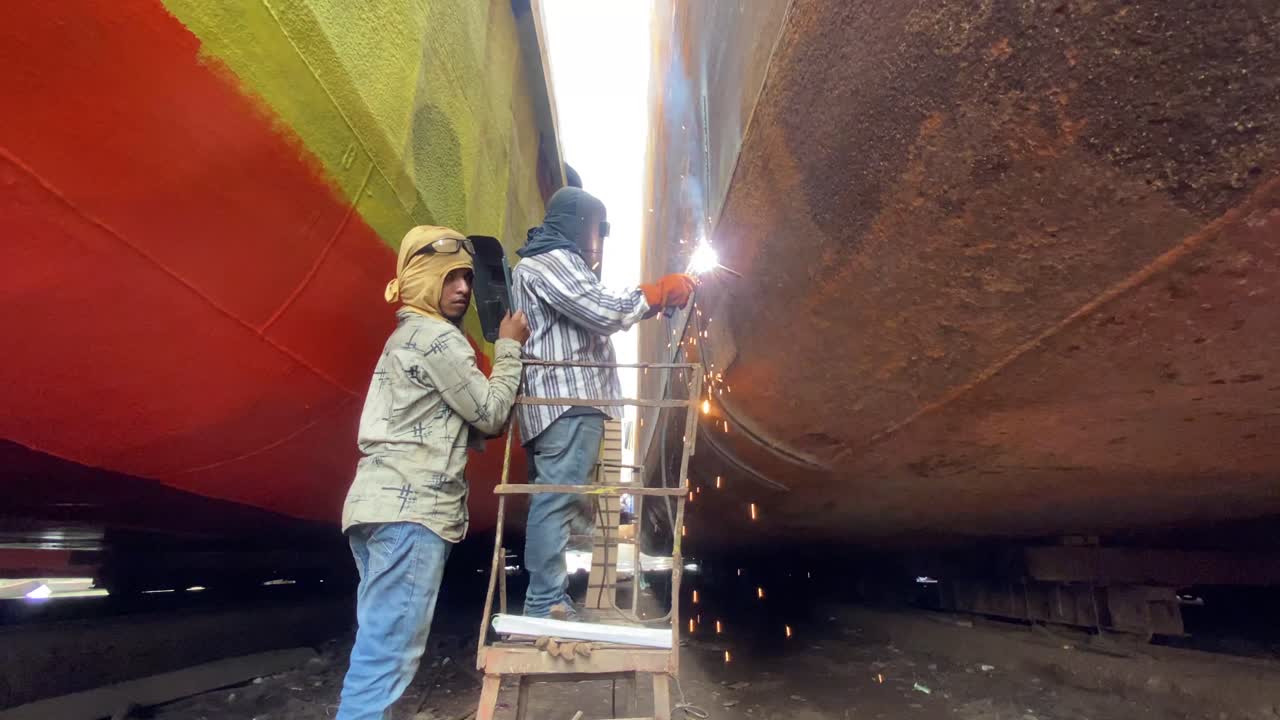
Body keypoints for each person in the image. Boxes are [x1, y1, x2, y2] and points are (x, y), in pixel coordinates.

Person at [336, 225, 530, 720]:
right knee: (385, 659)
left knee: (378, 646)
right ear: (423, 279)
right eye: (450, 279)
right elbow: (489, 412)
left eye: (466, 278)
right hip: (412, 514)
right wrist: (508, 347)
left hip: (376, 508)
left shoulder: (403, 336)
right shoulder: (437, 338)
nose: (463, 289)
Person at [512, 187, 695, 620]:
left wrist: (650, 305)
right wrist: (655, 293)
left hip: (571, 404)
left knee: (563, 499)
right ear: (583, 225)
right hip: (566, 402)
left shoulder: (553, 261)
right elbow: (603, 311)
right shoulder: (552, 261)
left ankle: (550, 596)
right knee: (556, 499)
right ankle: (543, 603)